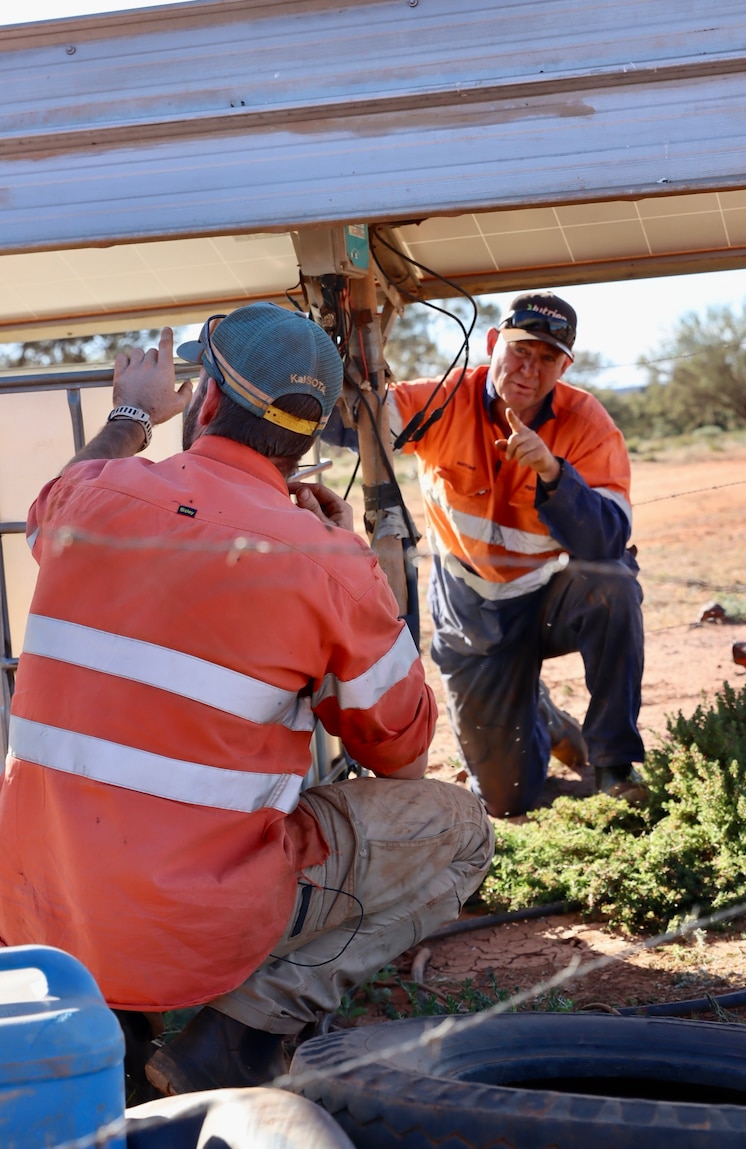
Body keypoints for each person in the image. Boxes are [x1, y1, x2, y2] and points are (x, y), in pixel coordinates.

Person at [0, 303, 494, 1096]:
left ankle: (115, 1019)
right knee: (461, 830)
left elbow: (49, 503)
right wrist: (355, 579)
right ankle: (236, 1036)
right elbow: (402, 750)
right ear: (306, 436)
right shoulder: (325, 562)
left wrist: (131, 413)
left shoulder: (90, 499)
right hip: (192, 929)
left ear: (203, 400)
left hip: (37, 912)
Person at [387, 290, 646, 818]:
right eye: (521, 350)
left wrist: (553, 473)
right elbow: (359, 420)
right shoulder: (442, 399)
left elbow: (607, 540)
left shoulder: (586, 422)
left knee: (614, 584)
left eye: (547, 358)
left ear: (564, 366)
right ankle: (544, 718)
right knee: (507, 800)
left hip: (545, 602)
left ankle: (614, 763)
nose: (530, 368)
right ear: (492, 343)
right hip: (473, 622)